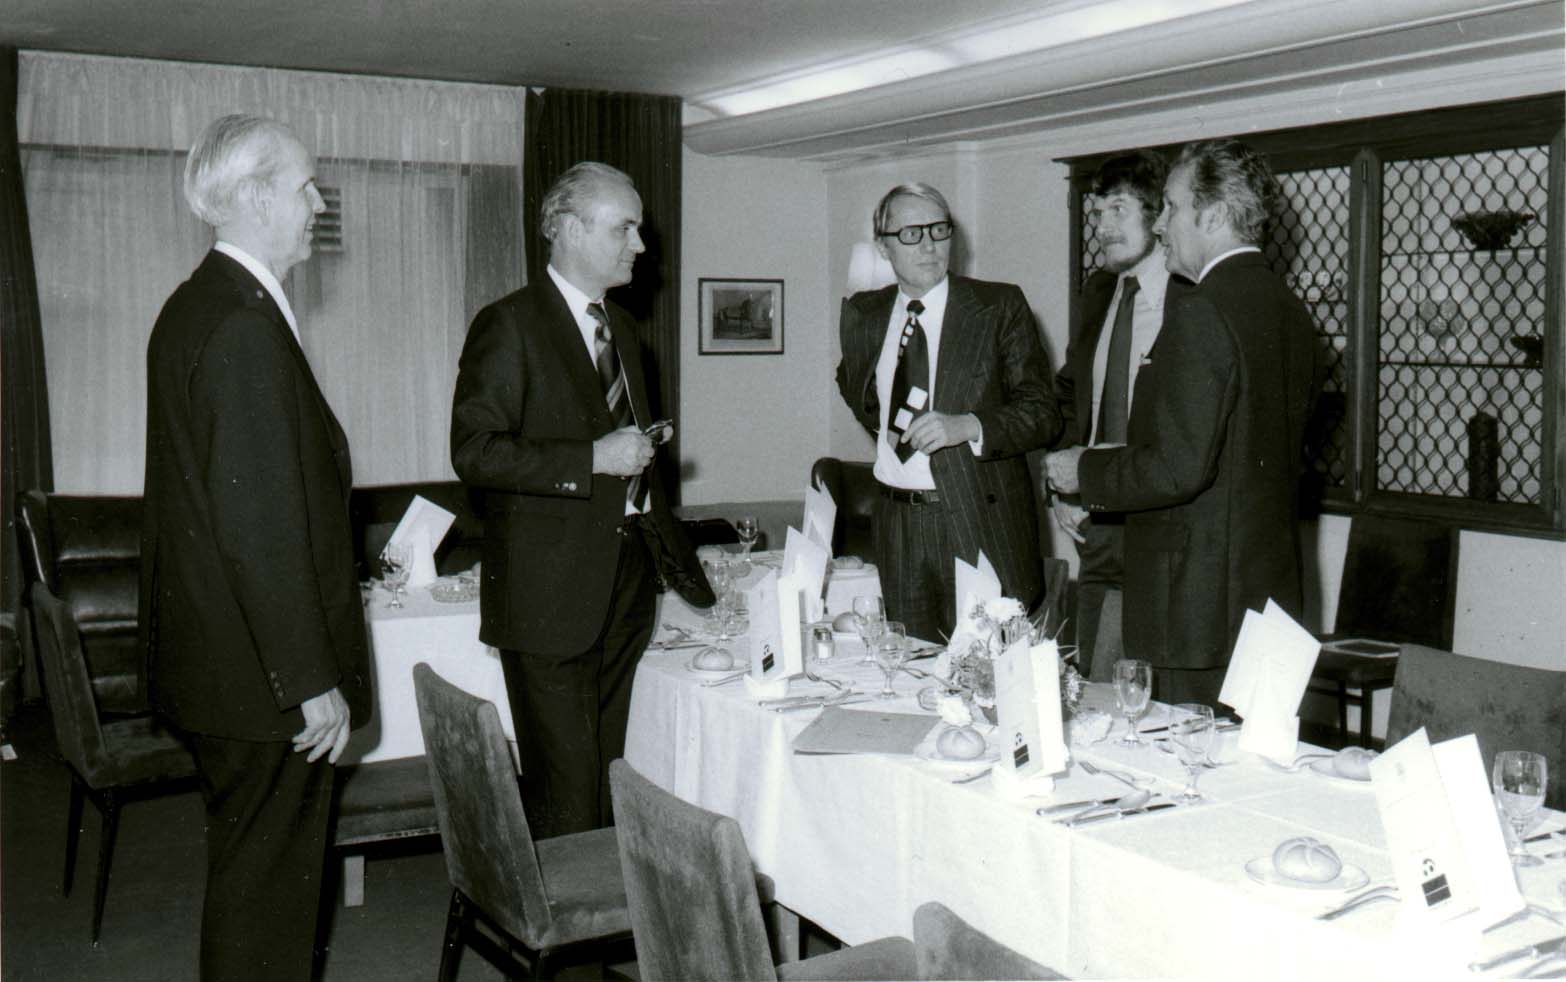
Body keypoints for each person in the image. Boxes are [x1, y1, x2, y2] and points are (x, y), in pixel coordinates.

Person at [139, 114, 371, 981]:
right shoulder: (240, 323)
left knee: (254, 880)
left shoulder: (198, 305)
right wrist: (308, 679)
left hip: (222, 665)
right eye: (306, 185)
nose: (318, 202)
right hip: (261, 679)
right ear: (256, 196)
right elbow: (258, 529)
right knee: (268, 894)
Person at [451, 162, 705, 840]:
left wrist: (639, 450)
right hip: (547, 597)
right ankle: (571, 942)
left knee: (612, 773)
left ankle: (601, 920)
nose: (640, 247)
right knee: (565, 791)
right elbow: (475, 451)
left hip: (624, 584)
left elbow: (613, 441)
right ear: (565, 229)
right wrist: (593, 458)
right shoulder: (508, 324)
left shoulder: (622, 330)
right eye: (624, 228)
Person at [1044, 139, 1317, 707]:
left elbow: (1177, 466)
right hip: (1262, 595)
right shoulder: (1287, 307)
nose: (1162, 225)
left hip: (1194, 605)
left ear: (1212, 214)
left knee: (1180, 768)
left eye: (1170, 207)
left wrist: (1082, 470)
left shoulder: (1200, 308)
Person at [836, 182, 1059, 643]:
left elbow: (1044, 412)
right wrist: (890, 431)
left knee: (988, 679)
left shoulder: (997, 307)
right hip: (897, 523)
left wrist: (969, 425)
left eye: (939, 230)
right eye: (912, 234)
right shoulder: (864, 313)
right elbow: (856, 386)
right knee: (909, 672)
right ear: (883, 245)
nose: (930, 245)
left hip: (975, 519)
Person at [1048, 151, 1190, 681]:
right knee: (1095, 677)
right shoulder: (1099, 292)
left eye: (1118, 210)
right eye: (1097, 213)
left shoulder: (1189, 298)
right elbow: (1070, 396)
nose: (1102, 227)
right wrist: (1064, 487)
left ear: (1158, 216)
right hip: (1098, 522)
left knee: (1155, 686)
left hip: (1164, 520)